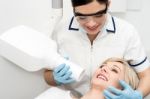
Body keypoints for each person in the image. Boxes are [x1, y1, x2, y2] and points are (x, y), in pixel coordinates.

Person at [44, 0, 150, 98]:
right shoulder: (60, 31)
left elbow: (146, 75)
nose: (91, 24)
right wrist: (54, 77)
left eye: (98, 15)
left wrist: (138, 95)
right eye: (82, 17)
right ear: (73, 7)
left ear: (108, 4)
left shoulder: (127, 33)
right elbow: (47, 74)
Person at [39, 57, 139, 99]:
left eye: (114, 70)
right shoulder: (55, 95)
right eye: (102, 66)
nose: (103, 69)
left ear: (123, 88)